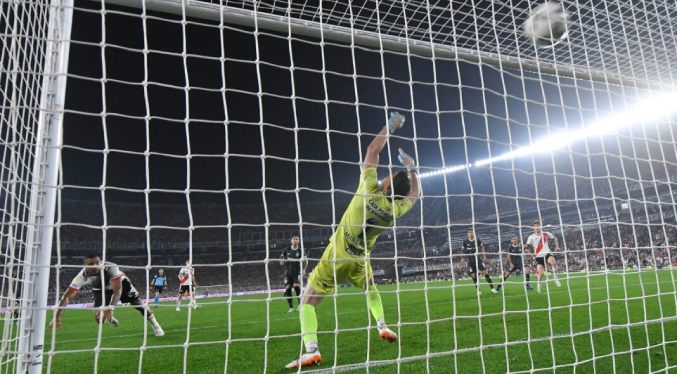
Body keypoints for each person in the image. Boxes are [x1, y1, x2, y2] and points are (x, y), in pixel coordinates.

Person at [285, 112, 420, 369]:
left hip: (336, 255)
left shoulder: (369, 188)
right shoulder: (394, 211)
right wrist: (412, 168)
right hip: (359, 260)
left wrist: (391, 126)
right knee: (371, 288)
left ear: (389, 187)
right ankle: (381, 324)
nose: (385, 177)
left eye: (389, 177)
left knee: (307, 303)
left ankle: (311, 350)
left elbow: (372, 150)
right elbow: (414, 195)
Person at [48, 254, 164, 336]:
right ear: (85, 265)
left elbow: (118, 290)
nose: (95, 266)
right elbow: (66, 297)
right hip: (100, 289)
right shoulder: (81, 277)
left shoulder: (110, 267)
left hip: (121, 284)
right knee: (99, 320)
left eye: (97, 263)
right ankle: (110, 319)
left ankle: (155, 325)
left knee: (139, 305)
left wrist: (110, 308)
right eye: (91, 264)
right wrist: (57, 316)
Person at [523, 220, 561, 293]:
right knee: (541, 274)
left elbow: (555, 239)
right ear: (533, 228)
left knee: (553, 262)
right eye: (535, 225)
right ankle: (538, 284)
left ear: (541, 226)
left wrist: (557, 246)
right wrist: (523, 246)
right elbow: (527, 246)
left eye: (538, 225)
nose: (537, 226)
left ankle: (556, 280)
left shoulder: (546, 234)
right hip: (539, 256)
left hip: (547, 253)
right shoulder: (531, 237)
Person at [462, 228, 497, 295]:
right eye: (469, 232)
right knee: (473, 276)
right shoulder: (465, 241)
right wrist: (462, 258)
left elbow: (482, 247)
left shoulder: (477, 240)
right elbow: (462, 250)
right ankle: (478, 290)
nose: (470, 233)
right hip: (470, 261)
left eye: (472, 232)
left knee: (485, 272)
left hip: (478, 259)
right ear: (467, 234)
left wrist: (484, 256)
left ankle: (492, 288)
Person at [279, 234, 306, 312]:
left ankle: (300, 304)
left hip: (297, 272)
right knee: (288, 288)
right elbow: (281, 260)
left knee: (296, 286)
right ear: (291, 240)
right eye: (294, 239)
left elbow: (305, 261)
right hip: (287, 273)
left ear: (299, 241)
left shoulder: (301, 251)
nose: (295, 240)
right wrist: (282, 261)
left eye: (297, 239)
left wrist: (303, 270)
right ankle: (291, 307)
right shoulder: (286, 250)